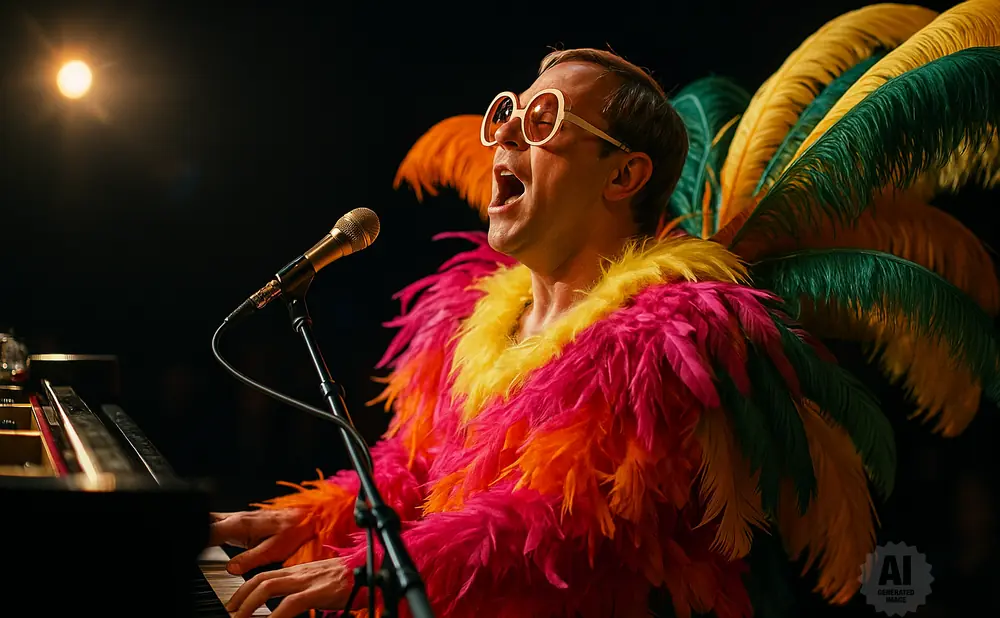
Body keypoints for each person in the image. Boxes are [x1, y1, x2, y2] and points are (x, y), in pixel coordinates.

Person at [212, 2, 1000, 616]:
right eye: (507, 114)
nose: (509, 134)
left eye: (544, 120)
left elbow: (569, 532)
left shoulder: (671, 339)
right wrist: (322, 517)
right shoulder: (466, 321)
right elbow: (417, 472)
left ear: (623, 177)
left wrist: (381, 570)